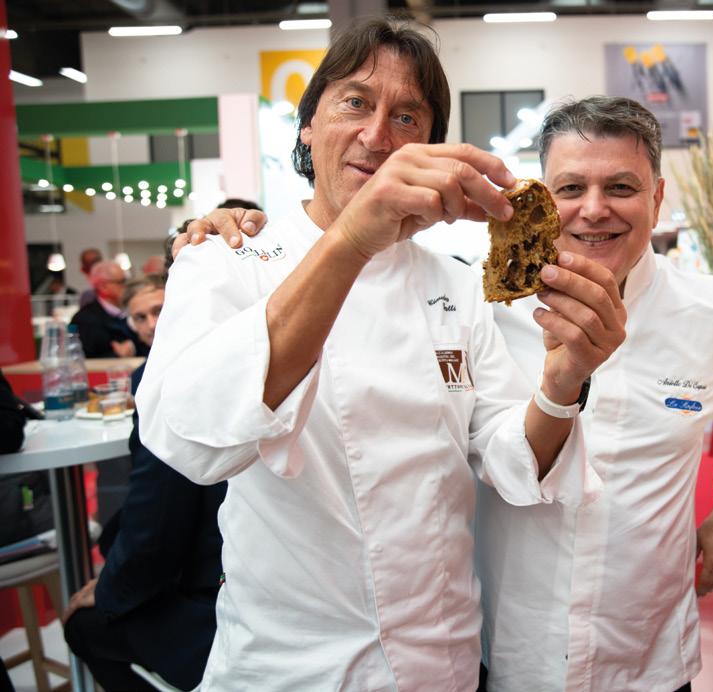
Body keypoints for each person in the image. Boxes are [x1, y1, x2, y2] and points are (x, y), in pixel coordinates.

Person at [198, 96, 713, 692]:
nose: (594, 209)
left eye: (622, 187)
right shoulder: (477, 300)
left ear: (656, 199)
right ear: (540, 197)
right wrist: (238, 237)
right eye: (571, 188)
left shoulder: (708, 309)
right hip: (510, 648)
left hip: (647, 650)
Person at [137, 19, 623, 690]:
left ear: (430, 147)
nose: (377, 135)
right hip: (291, 667)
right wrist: (351, 240)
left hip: (439, 657)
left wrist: (562, 384)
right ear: (308, 126)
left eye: (406, 116)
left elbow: (510, 463)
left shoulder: (456, 285)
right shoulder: (230, 261)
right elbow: (188, 441)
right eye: (355, 103)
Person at [63, 274, 226, 691]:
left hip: (225, 606)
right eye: (141, 317)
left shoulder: (166, 377)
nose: (153, 323)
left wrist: (111, 588)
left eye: (159, 309)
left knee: (83, 624)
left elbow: (157, 523)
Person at [70, 260, 146, 358]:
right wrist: (117, 355)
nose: (127, 286)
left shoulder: (130, 311)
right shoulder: (86, 320)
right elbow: (85, 359)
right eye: (122, 282)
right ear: (103, 287)